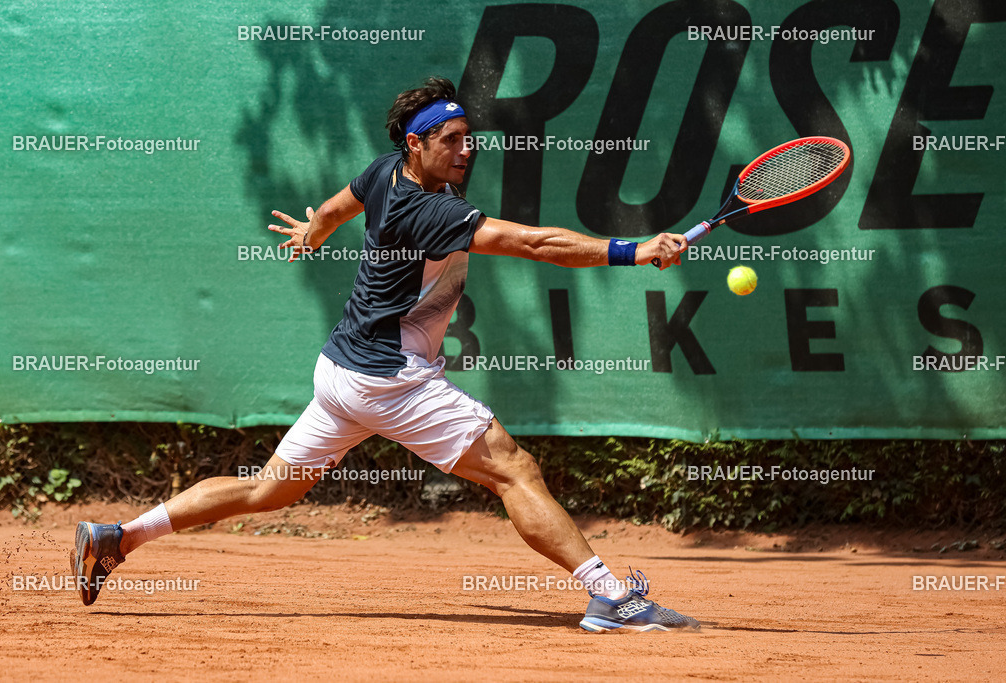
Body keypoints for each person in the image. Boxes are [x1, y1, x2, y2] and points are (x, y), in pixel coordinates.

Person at [72, 77, 697, 632]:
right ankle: (610, 596)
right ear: (417, 146)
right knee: (514, 468)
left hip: (341, 371)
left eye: (468, 136)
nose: (466, 148)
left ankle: (117, 537)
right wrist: (633, 250)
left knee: (269, 490)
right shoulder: (431, 212)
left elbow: (341, 205)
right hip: (390, 381)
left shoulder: (383, 172)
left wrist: (313, 231)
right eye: (449, 139)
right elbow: (533, 243)